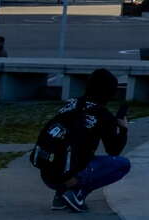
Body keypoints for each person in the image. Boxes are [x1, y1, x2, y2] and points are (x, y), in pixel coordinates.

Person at [29, 68, 130, 212]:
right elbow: (114, 150)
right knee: (122, 164)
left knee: (78, 153)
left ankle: (60, 197)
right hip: (68, 174)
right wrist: (123, 129)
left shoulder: (72, 104)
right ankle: (76, 193)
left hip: (47, 174)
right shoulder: (103, 115)